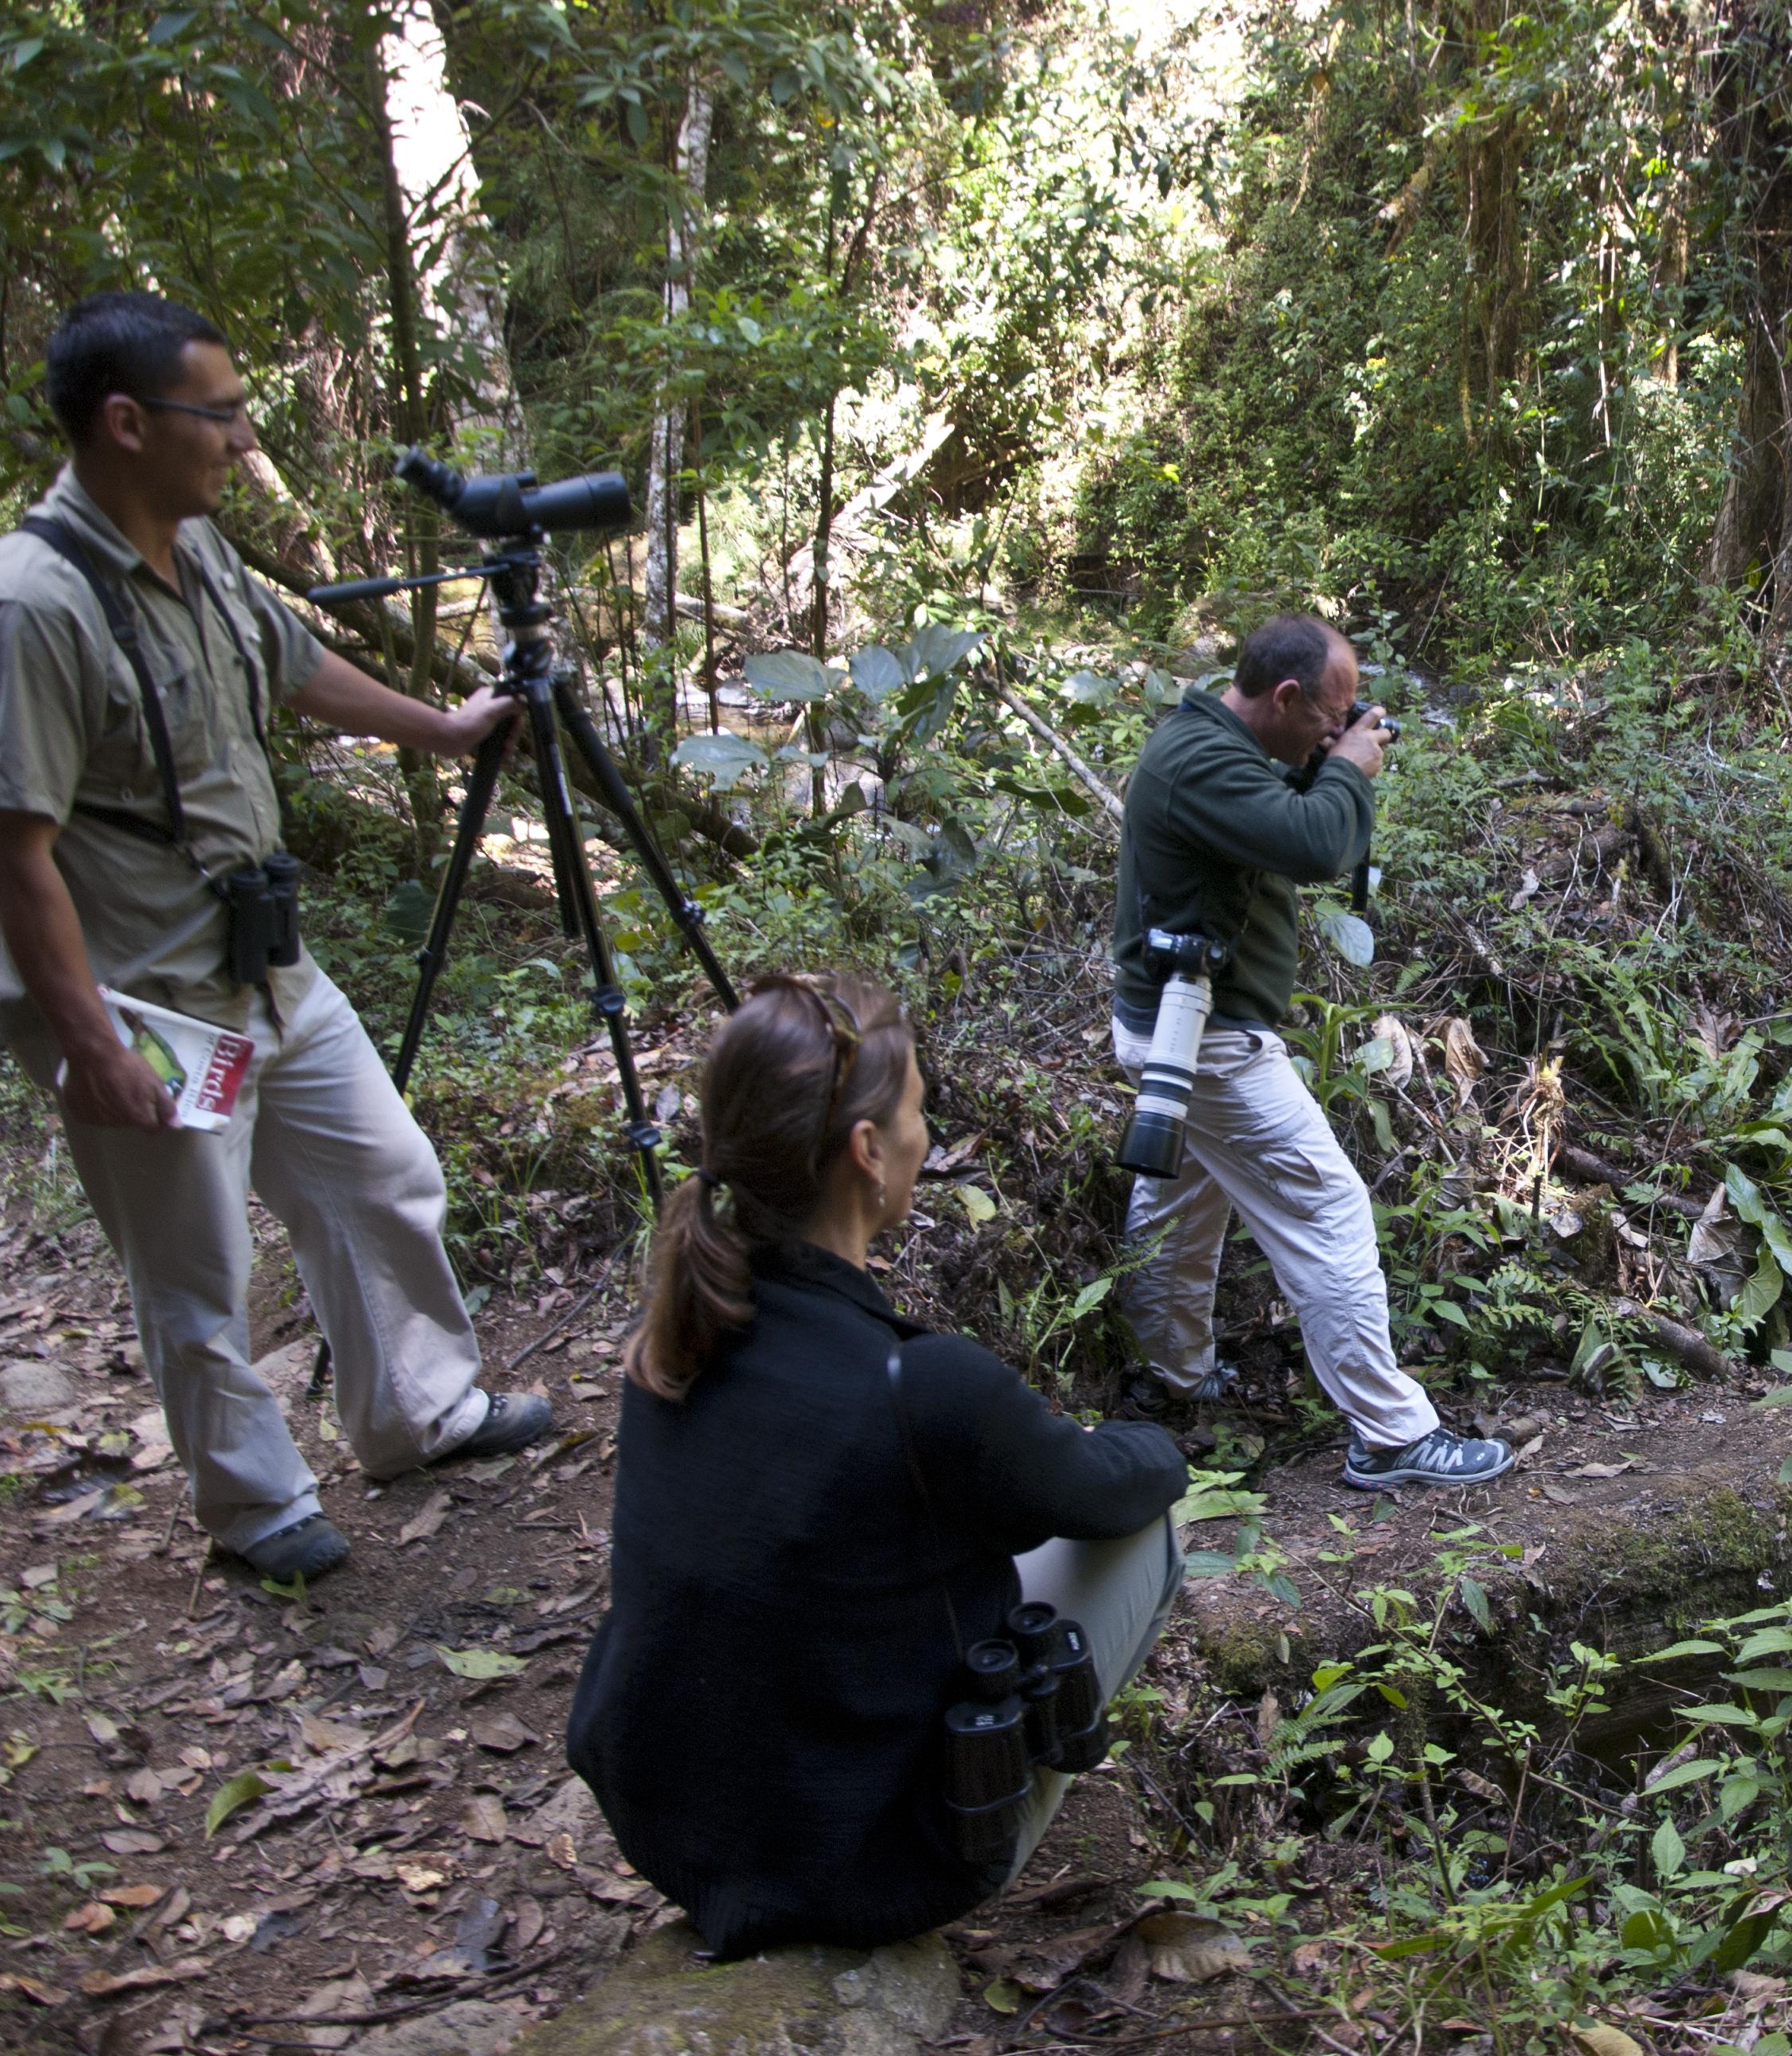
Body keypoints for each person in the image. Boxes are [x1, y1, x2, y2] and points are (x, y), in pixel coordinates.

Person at [0, 291, 550, 1583]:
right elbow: (12, 848)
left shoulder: (196, 546)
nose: (237, 436)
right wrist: (88, 1037)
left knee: (381, 1173)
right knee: (194, 1268)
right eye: (216, 412)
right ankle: (256, 1502)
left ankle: (419, 1411)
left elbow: (290, 661)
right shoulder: (26, 608)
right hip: (149, 1008)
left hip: (267, 971)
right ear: (123, 422)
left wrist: (439, 727)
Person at [568, 973, 1188, 1957]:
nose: (922, 1135)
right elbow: (1117, 1488)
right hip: (869, 1870)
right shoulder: (920, 1387)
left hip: (673, 1834)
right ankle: (991, 1803)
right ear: (865, 1151)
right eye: (916, 1114)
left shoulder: (675, 1340)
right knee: (1150, 1529)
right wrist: (1136, 1439)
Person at [1110, 613, 1513, 1490]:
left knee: (1178, 1209)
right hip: (1205, 1043)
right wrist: (1348, 772)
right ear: (1282, 696)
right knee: (1327, 1211)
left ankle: (1167, 1374)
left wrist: (1327, 759)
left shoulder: (1217, 745)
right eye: (1326, 718)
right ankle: (1393, 1435)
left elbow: (1294, 819)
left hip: (1183, 1031)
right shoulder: (1200, 763)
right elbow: (1315, 843)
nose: (1337, 733)